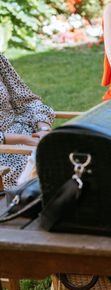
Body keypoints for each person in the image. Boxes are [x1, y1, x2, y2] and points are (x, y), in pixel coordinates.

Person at [0, 53, 54, 190]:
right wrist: (24, 140)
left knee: (69, 153)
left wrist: (43, 129)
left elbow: (27, 101)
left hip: (27, 135)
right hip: (5, 150)